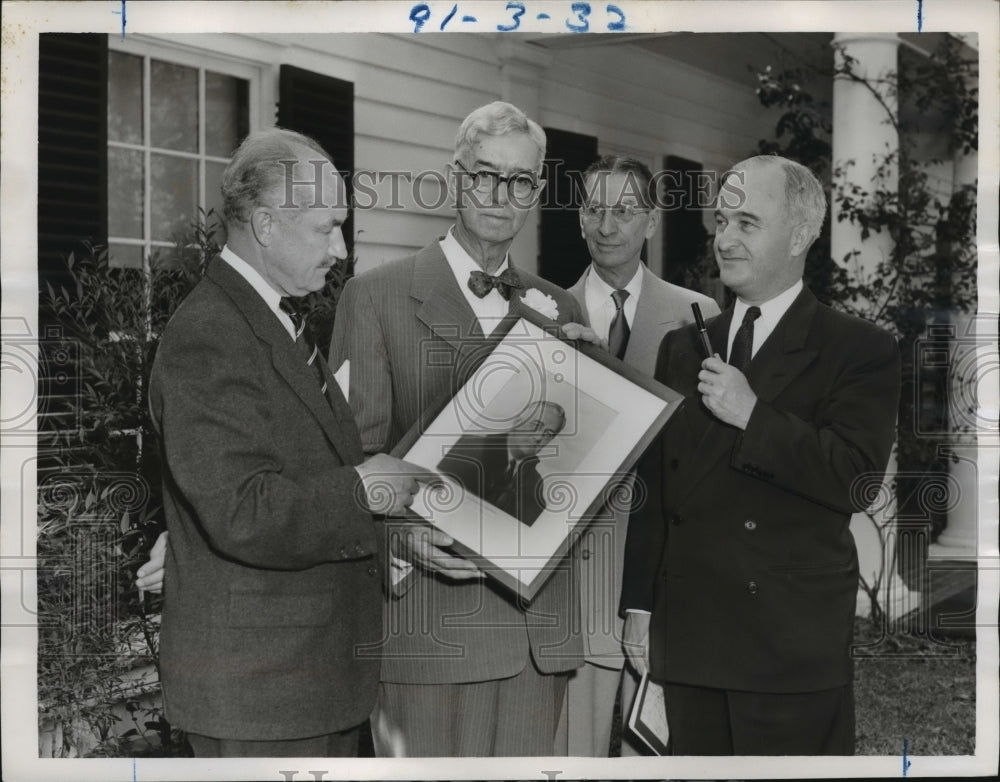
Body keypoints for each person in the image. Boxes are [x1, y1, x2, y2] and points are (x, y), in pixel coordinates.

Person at [146, 128, 429, 758]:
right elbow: (245, 511)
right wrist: (367, 488)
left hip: (301, 686)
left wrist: (388, 537)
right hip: (261, 696)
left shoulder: (270, 317)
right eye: (327, 227)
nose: (342, 248)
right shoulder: (209, 333)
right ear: (267, 225)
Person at [329, 101, 590, 757]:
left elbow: (577, 461)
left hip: (539, 631)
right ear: (455, 176)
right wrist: (399, 535)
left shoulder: (563, 307)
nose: (502, 196)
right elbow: (347, 460)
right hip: (433, 630)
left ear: (537, 190)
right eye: (485, 175)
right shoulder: (375, 297)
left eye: (521, 180)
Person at [619, 154, 901, 755]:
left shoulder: (858, 348)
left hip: (789, 654)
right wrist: (639, 603)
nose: (725, 239)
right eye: (721, 222)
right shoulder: (682, 346)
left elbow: (855, 481)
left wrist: (754, 416)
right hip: (690, 641)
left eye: (746, 223)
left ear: (800, 235)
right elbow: (656, 488)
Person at [556, 155, 720, 757]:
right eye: (594, 209)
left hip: (670, 574)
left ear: (650, 221)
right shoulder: (548, 314)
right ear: (578, 220)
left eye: (624, 210)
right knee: (577, 750)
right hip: (581, 574)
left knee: (659, 750)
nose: (607, 225)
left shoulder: (700, 317)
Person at [438, 400, 566, 526]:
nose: (539, 438)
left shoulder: (534, 483)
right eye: (536, 425)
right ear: (517, 422)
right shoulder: (466, 448)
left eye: (548, 435)